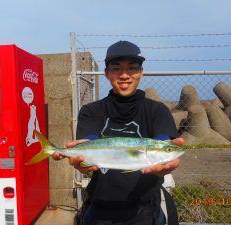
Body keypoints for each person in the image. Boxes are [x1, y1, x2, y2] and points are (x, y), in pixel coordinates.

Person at [53, 40, 184, 225]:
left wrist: (167, 155)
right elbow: (90, 140)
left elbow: (161, 140)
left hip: (146, 208)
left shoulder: (158, 110)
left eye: (132, 68)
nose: (124, 75)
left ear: (141, 72)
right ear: (106, 73)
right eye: (116, 69)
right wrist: (82, 156)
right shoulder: (91, 111)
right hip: (99, 209)